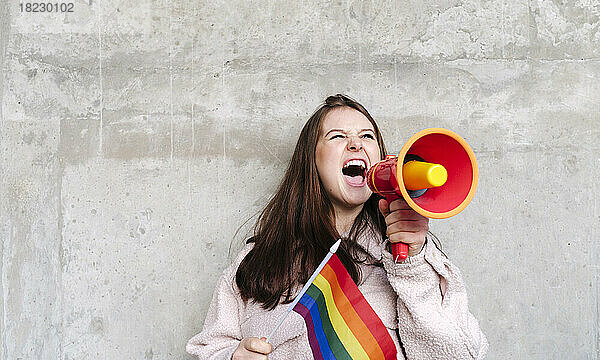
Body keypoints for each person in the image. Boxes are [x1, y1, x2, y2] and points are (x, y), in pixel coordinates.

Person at [186, 94, 488, 360]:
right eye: (337, 136)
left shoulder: (415, 259)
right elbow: (209, 347)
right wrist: (233, 356)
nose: (356, 143)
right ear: (312, 160)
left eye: (367, 137)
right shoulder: (258, 259)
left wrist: (413, 264)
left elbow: (457, 354)